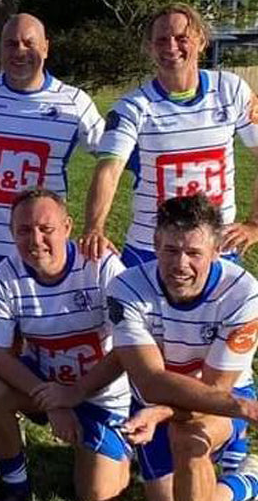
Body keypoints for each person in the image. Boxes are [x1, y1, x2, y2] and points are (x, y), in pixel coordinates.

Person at [0, 189, 131, 501]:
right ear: (11, 233)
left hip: (102, 394)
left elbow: (130, 348)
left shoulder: (103, 267)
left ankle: (123, 449)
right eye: (23, 230)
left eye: (46, 229)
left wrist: (77, 393)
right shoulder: (6, 275)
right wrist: (56, 402)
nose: (35, 240)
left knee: (96, 493)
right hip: (46, 384)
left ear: (68, 227)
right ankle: (16, 483)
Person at [81, 3, 258, 267]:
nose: (171, 46)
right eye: (161, 40)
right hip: (150, 248)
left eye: (181, 38)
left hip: (216, 247)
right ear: (150, 48)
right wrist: (94, 227)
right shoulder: (132, 107)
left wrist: (254, 223)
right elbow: (109, 170)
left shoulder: (231, 90)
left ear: (201, 41)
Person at [108, 194, 258, 501]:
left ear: (217, 251)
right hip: (156, 402)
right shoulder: (126, 288)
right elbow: (150, 382)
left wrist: (162, 413)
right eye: (171, 250)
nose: (180, 264)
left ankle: (235, 455)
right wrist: (246, 411)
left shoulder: (243, 293)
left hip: (224, 397)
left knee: (187, 438)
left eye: (194, 253)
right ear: (155, 243)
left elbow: (215, 389)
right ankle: (247, 483)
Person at [0, 13, 104, 267]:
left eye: (29, 43)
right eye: (10, 43)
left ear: (45, 47)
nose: (19, 51)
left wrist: (95, 225)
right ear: (0, 49)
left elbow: (113, 156)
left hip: (42, 251)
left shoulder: (74, 103)